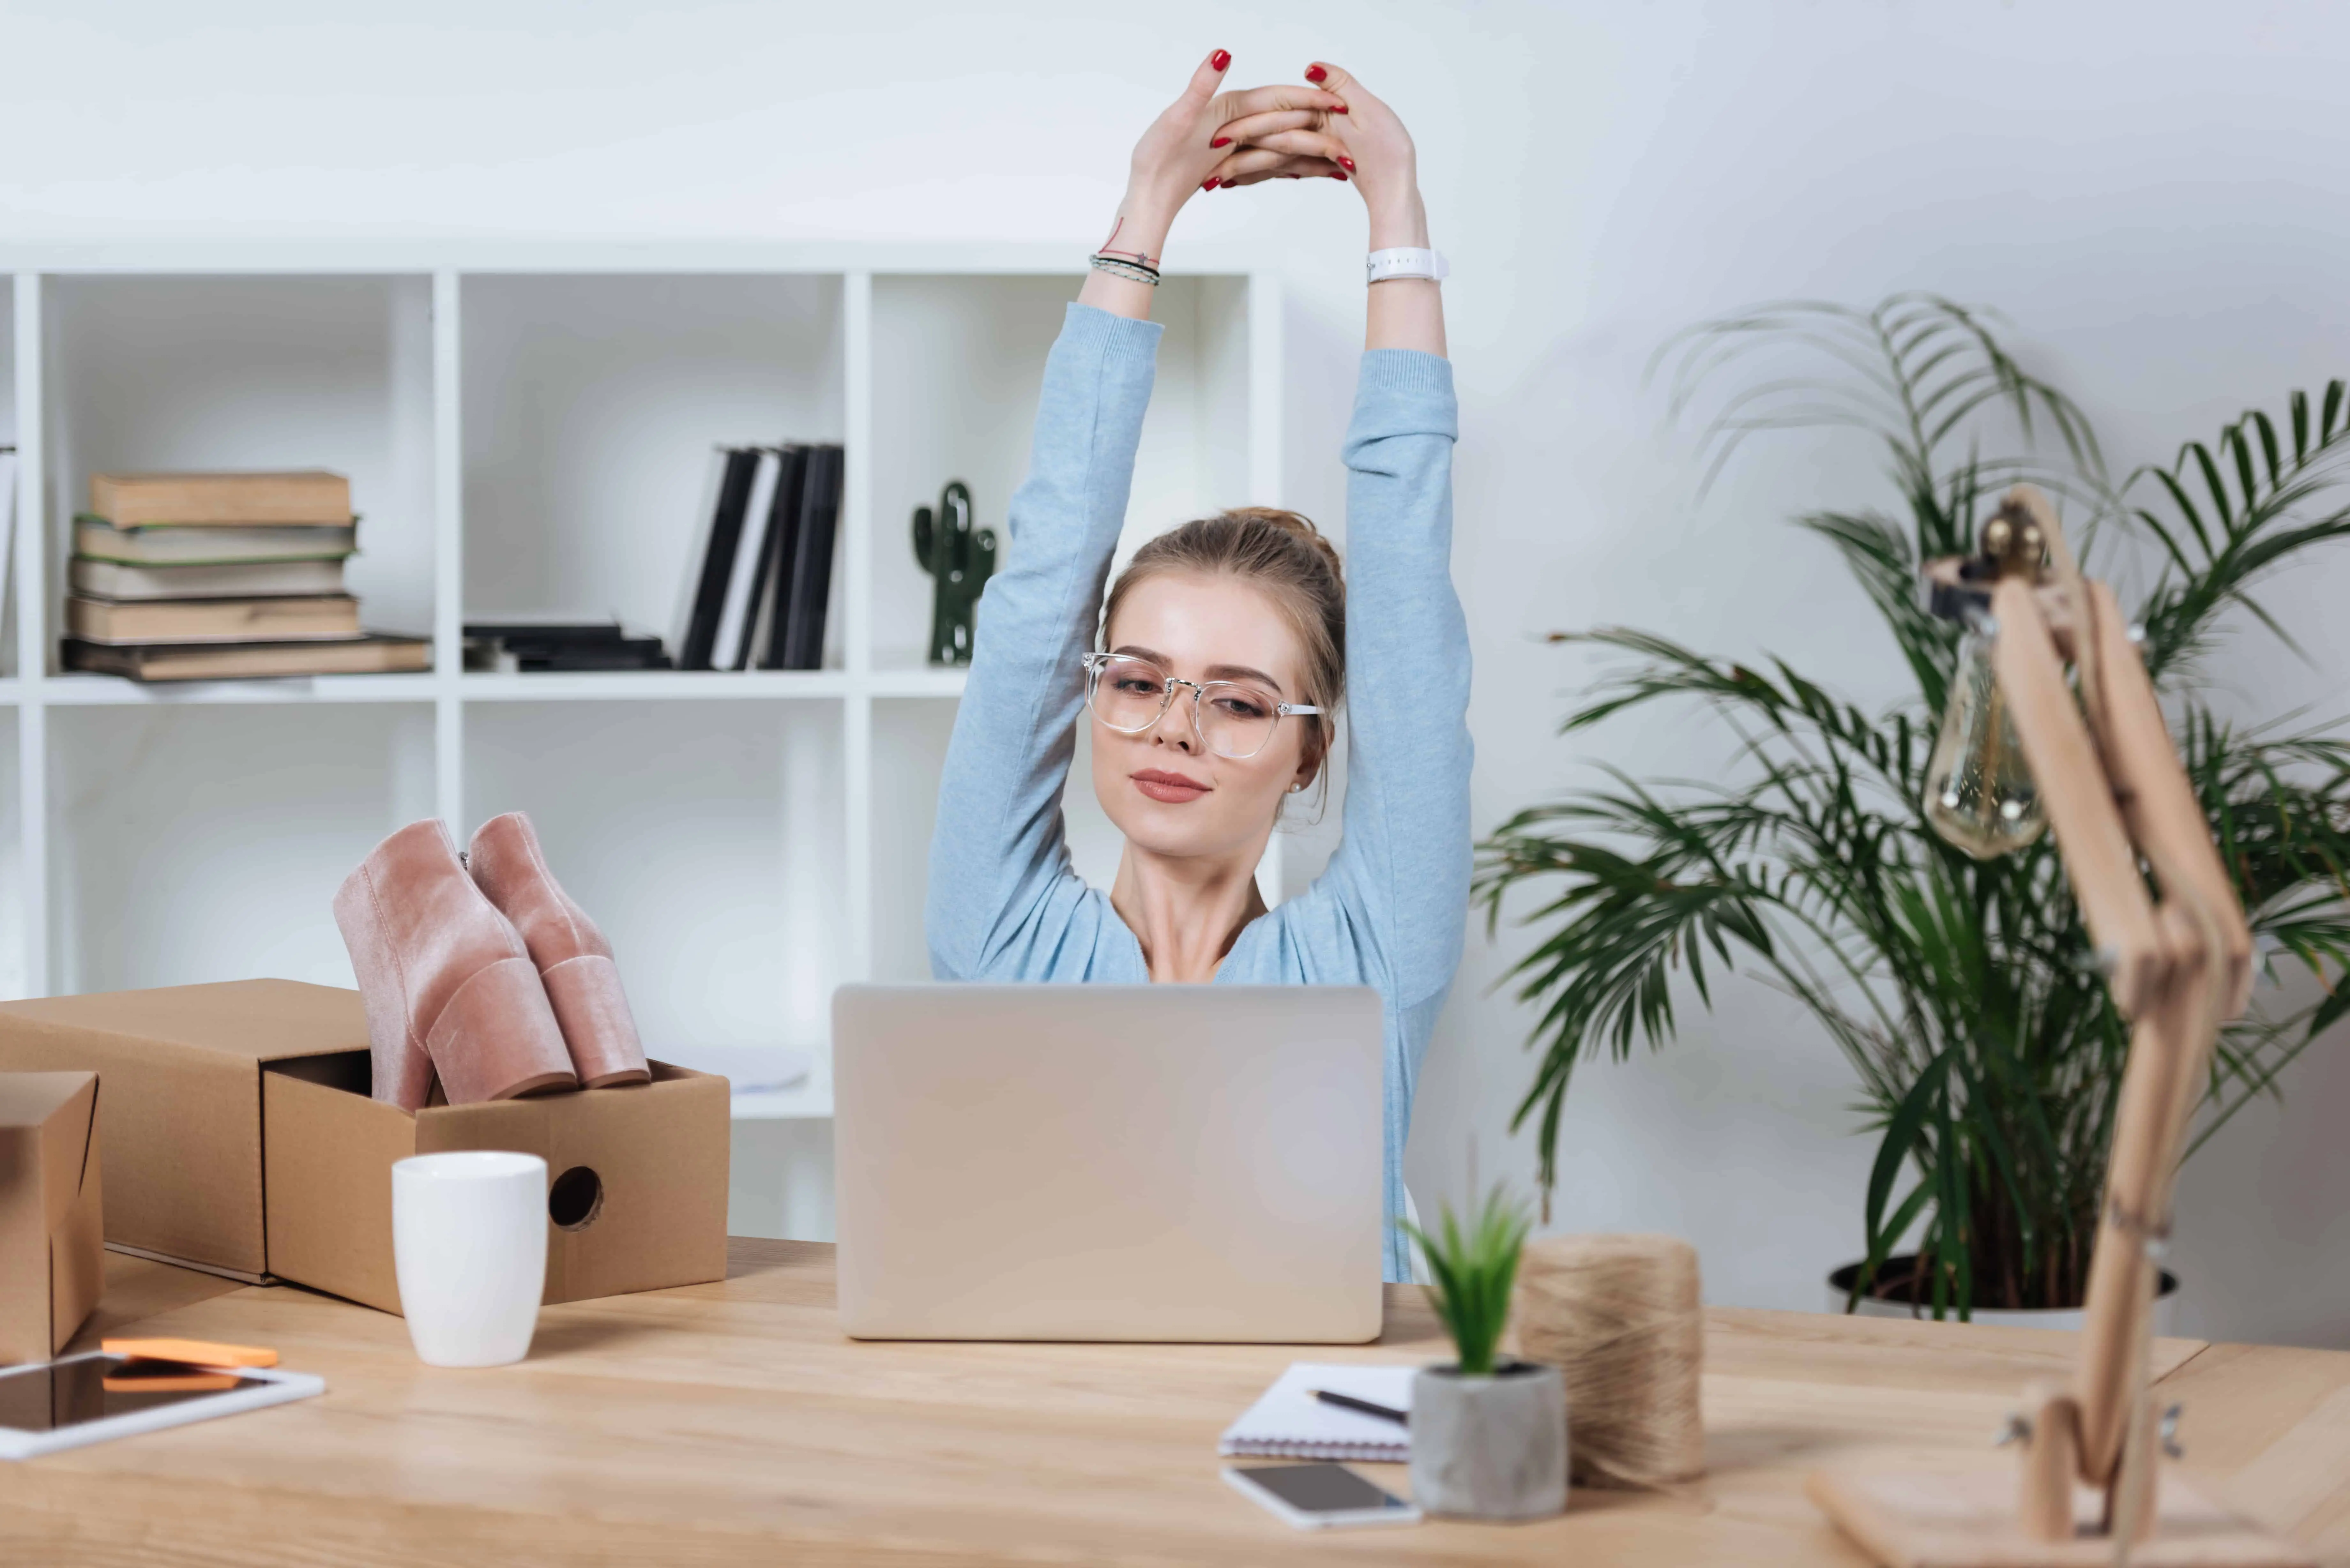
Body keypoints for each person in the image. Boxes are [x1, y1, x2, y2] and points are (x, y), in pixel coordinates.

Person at [927, 50, 1468, 1283]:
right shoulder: (1001, 945)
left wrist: (1397, 216)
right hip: (1048, 1444)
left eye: (1236, 700)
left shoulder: (1364, 973)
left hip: (1309, 1439)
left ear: (1310, 747)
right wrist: (1145, 211)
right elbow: (1040, 583)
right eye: (1138, 678)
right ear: (1092, 694)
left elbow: (1411, 618)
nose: (1173, 728)